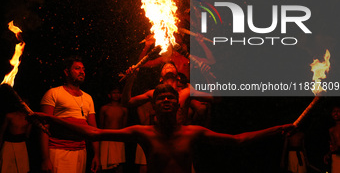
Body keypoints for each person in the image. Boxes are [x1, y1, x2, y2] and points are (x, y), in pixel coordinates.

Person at [35, 84, 294, 173]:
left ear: (178, 106)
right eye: (161, 98)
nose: (168, 99)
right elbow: (94, 133)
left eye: (171, 97)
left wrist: (276, 129)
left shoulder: (193, 132)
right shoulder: (142, 132)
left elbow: (238, 140)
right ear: (154, 107)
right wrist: (48, 118)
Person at [40, 55, 99, 173]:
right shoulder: (53, 93)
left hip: (81, 151)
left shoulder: (88, 98)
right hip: (59, 151)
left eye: (83, 69)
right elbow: (43, 127)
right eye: (77, 68)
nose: (82, 72)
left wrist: (97, 155)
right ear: (67, 72)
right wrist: (45, 158)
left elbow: (94, 129)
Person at [99, 88, 127, 173]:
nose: (116, 95)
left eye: (118, 93)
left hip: (118, 139)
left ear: (121, 95)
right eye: (114, 93)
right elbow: (101, 126)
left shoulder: (124, 109)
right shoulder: (104, 108)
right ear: (109, 95)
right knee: (104, 165)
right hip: (106, 139)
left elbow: (124, 126)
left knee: (119, 164)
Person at [0, 104, 31, 173]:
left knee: (22, 168)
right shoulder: (9, 116)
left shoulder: (29, 118)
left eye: (26, 104)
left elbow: (27, 134)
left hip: (22, 145)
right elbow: (2, 132)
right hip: (8, 144)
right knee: (5, 167)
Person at [324, 105, 340, 172]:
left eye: (338, 111)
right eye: (334, 111)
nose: (336, 113)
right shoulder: (331, 130)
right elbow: (334, 146)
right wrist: (328, 154)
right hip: (336, 157)